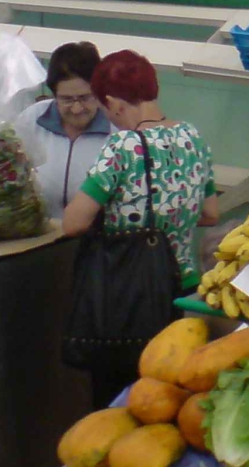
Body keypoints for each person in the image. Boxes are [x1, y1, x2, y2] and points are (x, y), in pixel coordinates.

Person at [62, 50, 220, 404]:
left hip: (130, 295)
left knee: (124, 403)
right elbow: (210, 212)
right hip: (184, 294)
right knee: (169, 399)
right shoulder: (192, 137)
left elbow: (74, 223)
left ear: (114, 103)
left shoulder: (123, 147)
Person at [15, 42, 113, 220]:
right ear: (53, 94)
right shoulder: (32, 119)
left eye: (85, 98)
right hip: (40, 230)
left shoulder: (117, 130)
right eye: (66, 99)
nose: (76, 108)